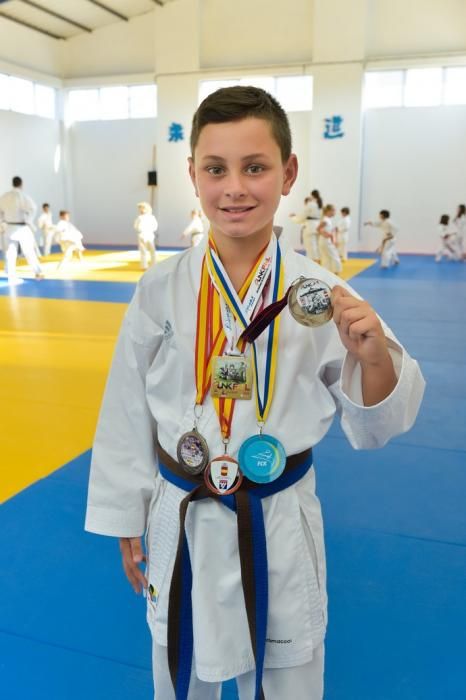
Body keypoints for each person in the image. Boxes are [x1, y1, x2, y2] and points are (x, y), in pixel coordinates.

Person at [85, 86, 425, 700]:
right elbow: (125, 407)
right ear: (192, 175)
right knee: (177, 668)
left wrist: (373, 356)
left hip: (276, 516)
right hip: (180, 506)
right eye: (215, 169)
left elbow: (377, 419)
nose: (234, 188)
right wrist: (123, 513)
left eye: (255, 168)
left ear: (288, 173)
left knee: (290, 671)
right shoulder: (159, 289)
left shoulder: (320, 294)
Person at [0, 176, 44, 282]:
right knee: (29, 251)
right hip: (21, 227)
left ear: (12, 183)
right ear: (21, 184)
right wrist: (29, 220)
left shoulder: (4, 196)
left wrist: (2, 222)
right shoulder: (22, 196)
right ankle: (37, 273)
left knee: (10, 252)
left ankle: (11, 276)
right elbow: (33, 208)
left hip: (8, 227)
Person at [316, 203, 342, 274]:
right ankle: (336, 271)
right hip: (325, 241)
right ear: (328, 211)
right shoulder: (325, 220)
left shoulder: (327, 219)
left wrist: (328, 235)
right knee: (334, 256)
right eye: (333, 210)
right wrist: (327, 234)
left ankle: (326, 272)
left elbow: (320, 229)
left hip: (324, 241)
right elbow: (318, 229)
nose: (334, 212)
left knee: (326, 258)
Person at [134, 201, 158, 269]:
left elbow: (155, 226)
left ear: (146, 209)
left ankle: (153, 264)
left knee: (152, 250)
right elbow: (136, 226)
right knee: (143, 251)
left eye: (142, 208)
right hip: (142, 235)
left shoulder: (151, 217)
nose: (140, 210)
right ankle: (144, 265)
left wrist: (148, 230)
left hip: (149, 235)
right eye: (139, 209)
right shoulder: (140, 218)